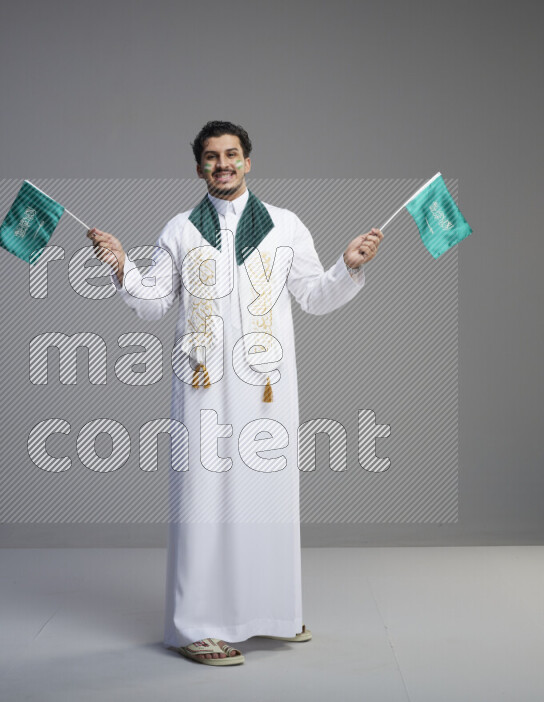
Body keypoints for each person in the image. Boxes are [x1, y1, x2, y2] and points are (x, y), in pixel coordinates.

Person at [87, 121, 382, 666]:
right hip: (203, 387)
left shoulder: (285, 226)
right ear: (198, 167)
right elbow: (153, 303)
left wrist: (349, 266)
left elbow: (315, 297)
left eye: (231, 154)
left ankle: (270, 612)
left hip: (267, 388)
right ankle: (195, 627)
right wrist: (122, 265)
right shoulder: (181, 229)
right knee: (203, 500)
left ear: (248, 161)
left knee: (267, 497)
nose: (222, 164)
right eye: (211, 157)